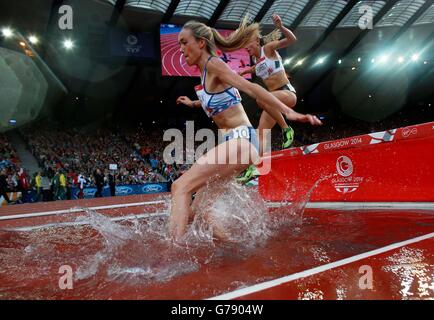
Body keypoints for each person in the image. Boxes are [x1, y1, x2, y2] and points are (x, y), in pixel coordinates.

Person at [169, 20, 320, 241]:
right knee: (200, 210)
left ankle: (170, 256)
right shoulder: (204, 74)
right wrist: (192, 103)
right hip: (240, 144)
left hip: (242, 140)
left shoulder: (213, 65)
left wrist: (289, 113)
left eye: (184, 42)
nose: (180, 50)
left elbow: (252, 88)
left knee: (180, 187)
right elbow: (217, 101)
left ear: (201, 43)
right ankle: (237, 247)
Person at [237, 14, 322, 182]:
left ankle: (286, 128)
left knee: (261, 99)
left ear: (255, 41)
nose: (247, 50)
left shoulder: (268, 48)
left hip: (287, 94)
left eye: (248, 47)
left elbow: (291, 39)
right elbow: (257, 67)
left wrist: (281, 27)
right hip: (274, 101)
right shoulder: (257, 59)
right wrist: (245, 71)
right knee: (260, 133)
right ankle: (253, 167)